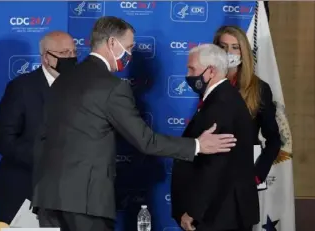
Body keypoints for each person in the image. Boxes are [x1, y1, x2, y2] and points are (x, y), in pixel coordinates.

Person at [32, 17, 237, 231]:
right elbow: (146, 141)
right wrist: (197, 146)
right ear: (112, 43)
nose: (129, 55)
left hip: (47, 200)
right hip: (84, 202)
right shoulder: (111, 87)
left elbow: (42, 138)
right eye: (128, 47)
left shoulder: (61, 80)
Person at [0, 31, 77, 224]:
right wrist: (44, 157)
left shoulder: (81, 88)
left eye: (73, 52)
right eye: (64, 53)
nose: (71, 58)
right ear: (46, 57)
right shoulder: (22, 88)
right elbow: (2, 139)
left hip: (68, 196)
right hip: (24, 192)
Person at [171, 44, 259, 231]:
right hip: (221, 212)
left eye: (192, 69)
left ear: (210, 71)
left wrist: (194, 211)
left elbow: (214, 165)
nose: (188, 74)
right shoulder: (221, 98)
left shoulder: (221, 104)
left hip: (218, 215)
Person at [213, 25, 281, 187]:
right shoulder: (208, 84)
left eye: (235, 48)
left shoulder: (259, 89)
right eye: (223, 47)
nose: (229, 52)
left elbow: (274, 139)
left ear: (243, 52)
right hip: (212, 171)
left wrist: (257, 175)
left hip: (244, 174)